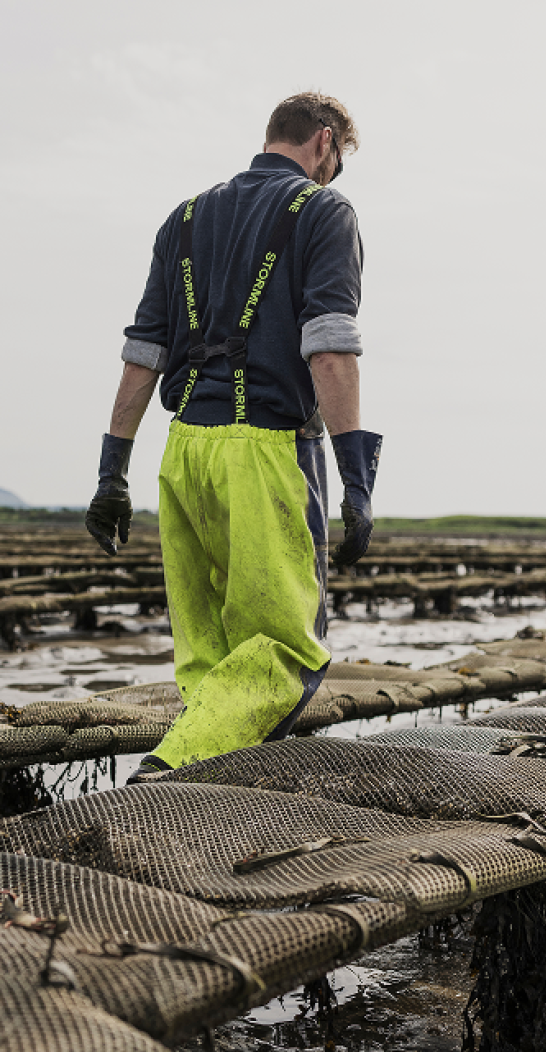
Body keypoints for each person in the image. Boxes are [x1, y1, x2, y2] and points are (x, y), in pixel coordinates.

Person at [85, 92, 381, 780]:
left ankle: (198, 805)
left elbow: (142, 354)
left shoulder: (184, 218)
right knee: (285, 653)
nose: (333, 180)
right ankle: (165, 774)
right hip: (266, 453)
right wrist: (358, 479)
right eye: (336, 165)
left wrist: (112, 474)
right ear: (325, 143)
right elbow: (331, 351)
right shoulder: (324, 210)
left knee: (211, 661)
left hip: (183, 453)